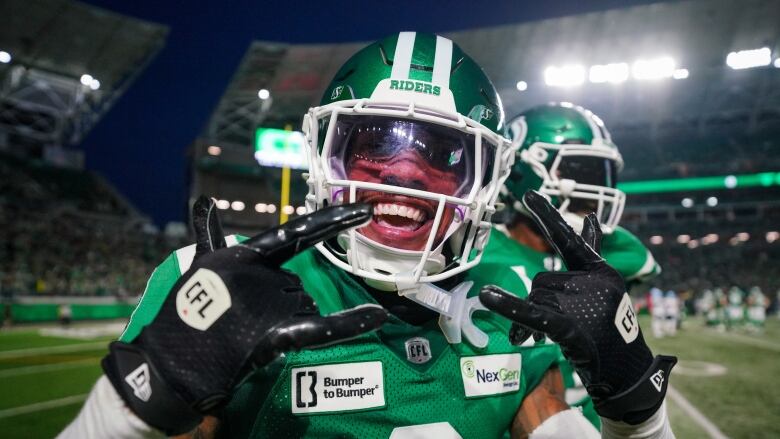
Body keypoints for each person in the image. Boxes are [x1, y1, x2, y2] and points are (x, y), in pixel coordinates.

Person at [60, 33, 674, 439]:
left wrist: (637, 411)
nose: (404, 171)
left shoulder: (512, 295)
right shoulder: (220, 280)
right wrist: (144, 400)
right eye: (373, 142)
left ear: (485, 181)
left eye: (442, 152)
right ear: (325, 156)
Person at [466, 102, 662, 429]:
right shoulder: (477, 249)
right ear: (520, 170)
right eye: (582, 172)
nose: (598, 189)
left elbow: (642, 263)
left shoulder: (612, 249)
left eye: (604, 175)